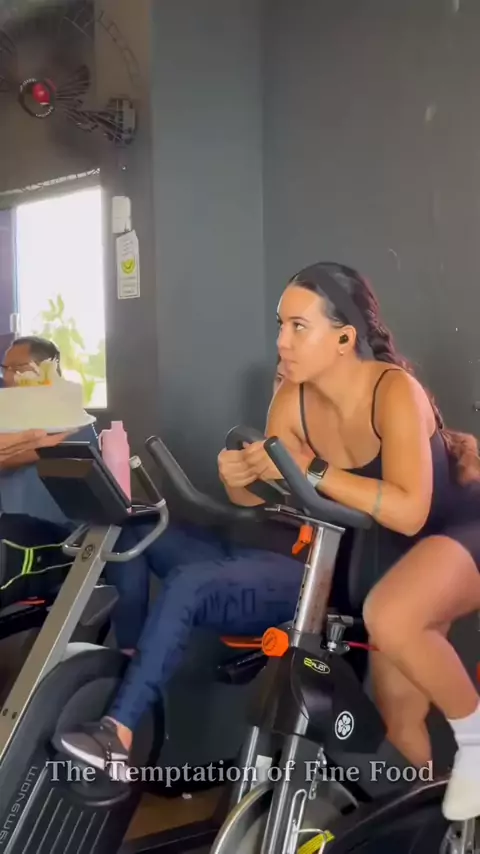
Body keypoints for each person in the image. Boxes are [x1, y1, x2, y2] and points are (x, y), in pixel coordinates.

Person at [217, 261, 480, 822]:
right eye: (281, 325)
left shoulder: (393, 390)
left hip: (458, 527)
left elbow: (409, 512)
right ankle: (418, 833)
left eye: (299, 327)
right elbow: (275, 489)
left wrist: (310, 468)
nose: (282, 342)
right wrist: (238, 479)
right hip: (393, 550)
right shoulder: (292, 400)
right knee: (398, 720)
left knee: (391, 616)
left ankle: (477, 744)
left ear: (343, 338)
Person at [56, 361, 339, 776]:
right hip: (237, 553)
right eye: (278, 379)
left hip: (299, 574)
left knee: (190, 581)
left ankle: (120, 733)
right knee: (132, 527)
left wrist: (302, 468)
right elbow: (244, 502)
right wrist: (242, 470)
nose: (281, 388)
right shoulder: (269, 444)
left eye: (291, 382)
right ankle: (130, 672)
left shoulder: (339, 444)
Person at [0, 336, 97, 526]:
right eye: (5, 368)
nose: (8, 377)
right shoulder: (10, 417)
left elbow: (44, 448)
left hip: (59, 529)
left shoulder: (71, 418)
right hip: (11, 523)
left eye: (17, 368)